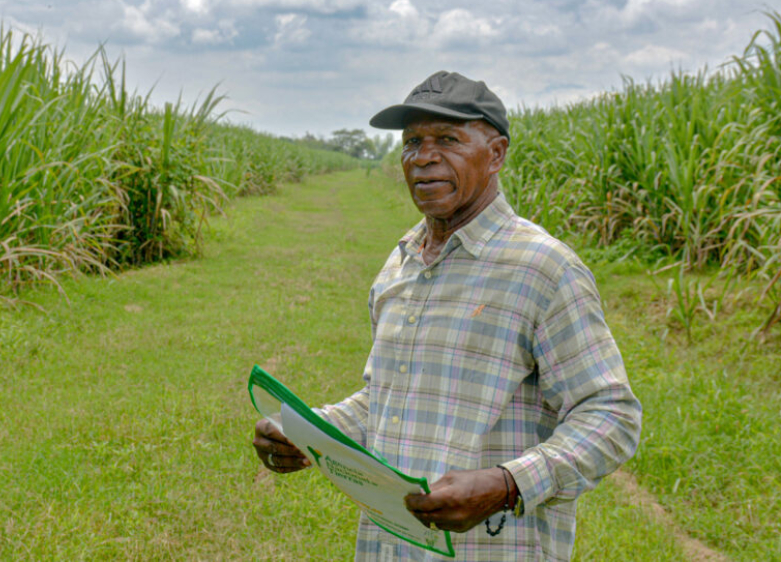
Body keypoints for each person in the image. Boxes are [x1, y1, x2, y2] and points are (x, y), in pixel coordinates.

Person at [253, 71, 642, 561]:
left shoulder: (543, 268)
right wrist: (308, 431)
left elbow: (612, 416)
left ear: (496, 154)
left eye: (448, 139)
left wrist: (507, 485)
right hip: (389, 547)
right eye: (412, 141)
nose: (424, 156)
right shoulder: (400, 263)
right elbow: (386, 400)